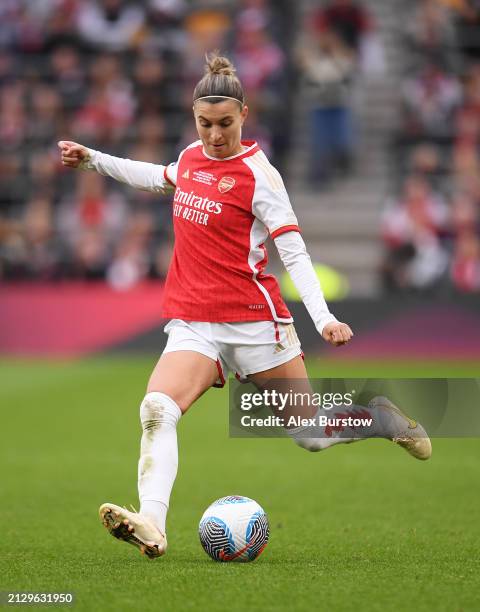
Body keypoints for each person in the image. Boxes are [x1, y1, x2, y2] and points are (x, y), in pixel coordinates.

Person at [58, 54, 432, 560]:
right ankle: (152, 522)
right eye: (205, 124)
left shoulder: (261, 176)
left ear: (244, 116)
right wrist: (93, 159)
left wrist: (324, 317)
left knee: (311, 435)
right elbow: (157, 176)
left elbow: (293, 252)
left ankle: (381, 419)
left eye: (224, 124)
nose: (214, 135)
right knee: (156, 410)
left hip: (256, 324)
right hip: (195, 322)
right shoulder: (191, 157)